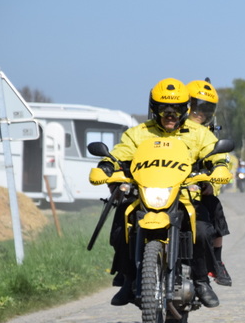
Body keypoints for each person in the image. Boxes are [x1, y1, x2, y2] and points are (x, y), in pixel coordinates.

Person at [92, 78, 231, 307]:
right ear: (153, 109)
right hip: (144, 197)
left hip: (185, 196)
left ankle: (201, 280)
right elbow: (120, 153)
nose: (170, 115)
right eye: (164, 109)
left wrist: (218, 169)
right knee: (121, 224)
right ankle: (128, 279)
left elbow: (215, 154)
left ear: (185, 109)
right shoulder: (138, 133)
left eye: (176, 109)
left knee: (204, 230)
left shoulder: (199, 134)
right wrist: (106, 166)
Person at [187, 79, 233, 286]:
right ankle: (128, 271)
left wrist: (211, 184)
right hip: (163, 188)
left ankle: (216, 260)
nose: (200, 113)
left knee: (213, 207)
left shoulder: (207, 135)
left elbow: (220, 161)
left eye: (207, 109)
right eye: (197, 107)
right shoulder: (167, 130)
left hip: (194, 190)